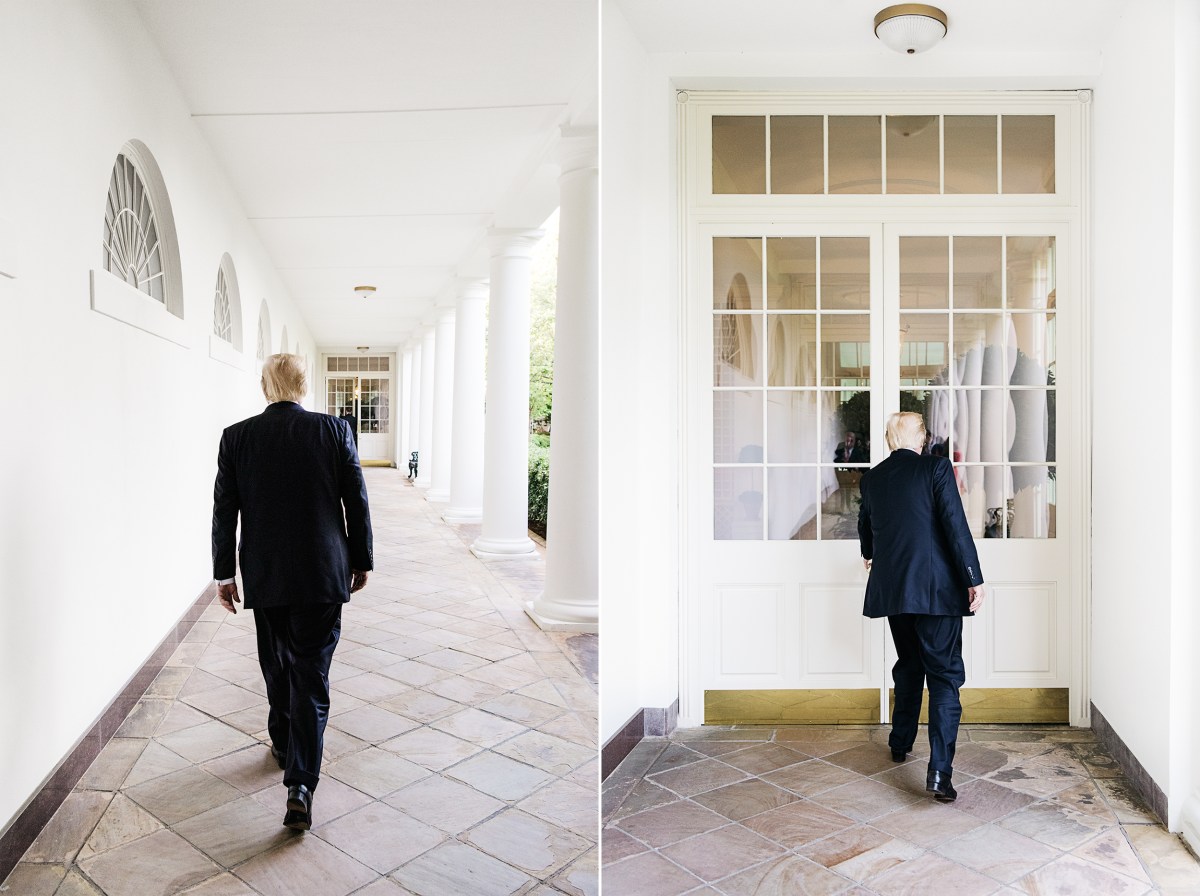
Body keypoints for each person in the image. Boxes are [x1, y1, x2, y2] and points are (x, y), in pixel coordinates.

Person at [212, 353, 373, 831]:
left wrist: (224, 575)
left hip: (266, 575)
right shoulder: (334, 430)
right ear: (303, 386)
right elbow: (356, 499)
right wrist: (361, 558)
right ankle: (300, 784)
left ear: (266, 387)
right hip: (322, 573)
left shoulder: (237, 437)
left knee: (277, 662)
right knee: (311, 673)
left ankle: (283, 741)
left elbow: (224, 510)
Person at [857, 411, 986, 802]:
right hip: (936, 592)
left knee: (909, 664)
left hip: (895, 591)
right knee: (944, 676)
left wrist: (870, 554)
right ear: (922, 438)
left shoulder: (872, 478)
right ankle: (939, 774)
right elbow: (954, 525)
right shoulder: (935, 468)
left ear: (889, 440)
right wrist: (973, 577)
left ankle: (900, 743)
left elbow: (866, 527)